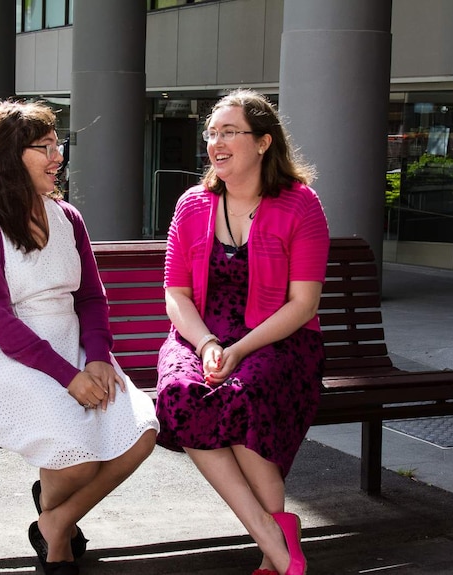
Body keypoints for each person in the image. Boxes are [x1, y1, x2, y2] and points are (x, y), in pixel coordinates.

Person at [0, 100, 159, 575]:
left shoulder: (67, 217)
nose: (58, 157)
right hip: (17, 361)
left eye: (58, 145)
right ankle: (59, 546)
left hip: (78, 350)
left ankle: (56, 520)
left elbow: (91, 298)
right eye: (45, 147)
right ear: (11, 155)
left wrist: (96, 360)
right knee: (76, 457)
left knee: (142, 433)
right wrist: (67, 377)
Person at [155, 89, 329, 575]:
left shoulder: (300, 205)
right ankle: (275, 539)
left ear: (263, 142)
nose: (216, 142)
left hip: (277, 337)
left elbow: (303, 304)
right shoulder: (192, 205)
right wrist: (209, 344)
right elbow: (176, 295)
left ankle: (276, 556)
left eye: (229, 132)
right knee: (181, 394)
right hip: (201, 334)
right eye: (212, 133)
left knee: (242, 397)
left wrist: (238, 350)